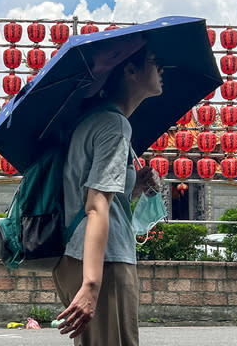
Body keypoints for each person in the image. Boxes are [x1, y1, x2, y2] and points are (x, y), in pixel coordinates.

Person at [52, 46, 163, 345]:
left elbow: (95, 196)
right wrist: (92, 283)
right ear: (130, 71)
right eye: (153, 62)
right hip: (105, 262)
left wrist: (134, 187)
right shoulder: (114, 125)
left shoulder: (95, 120)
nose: (161, 70)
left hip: (84, 257)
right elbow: (96, 204)